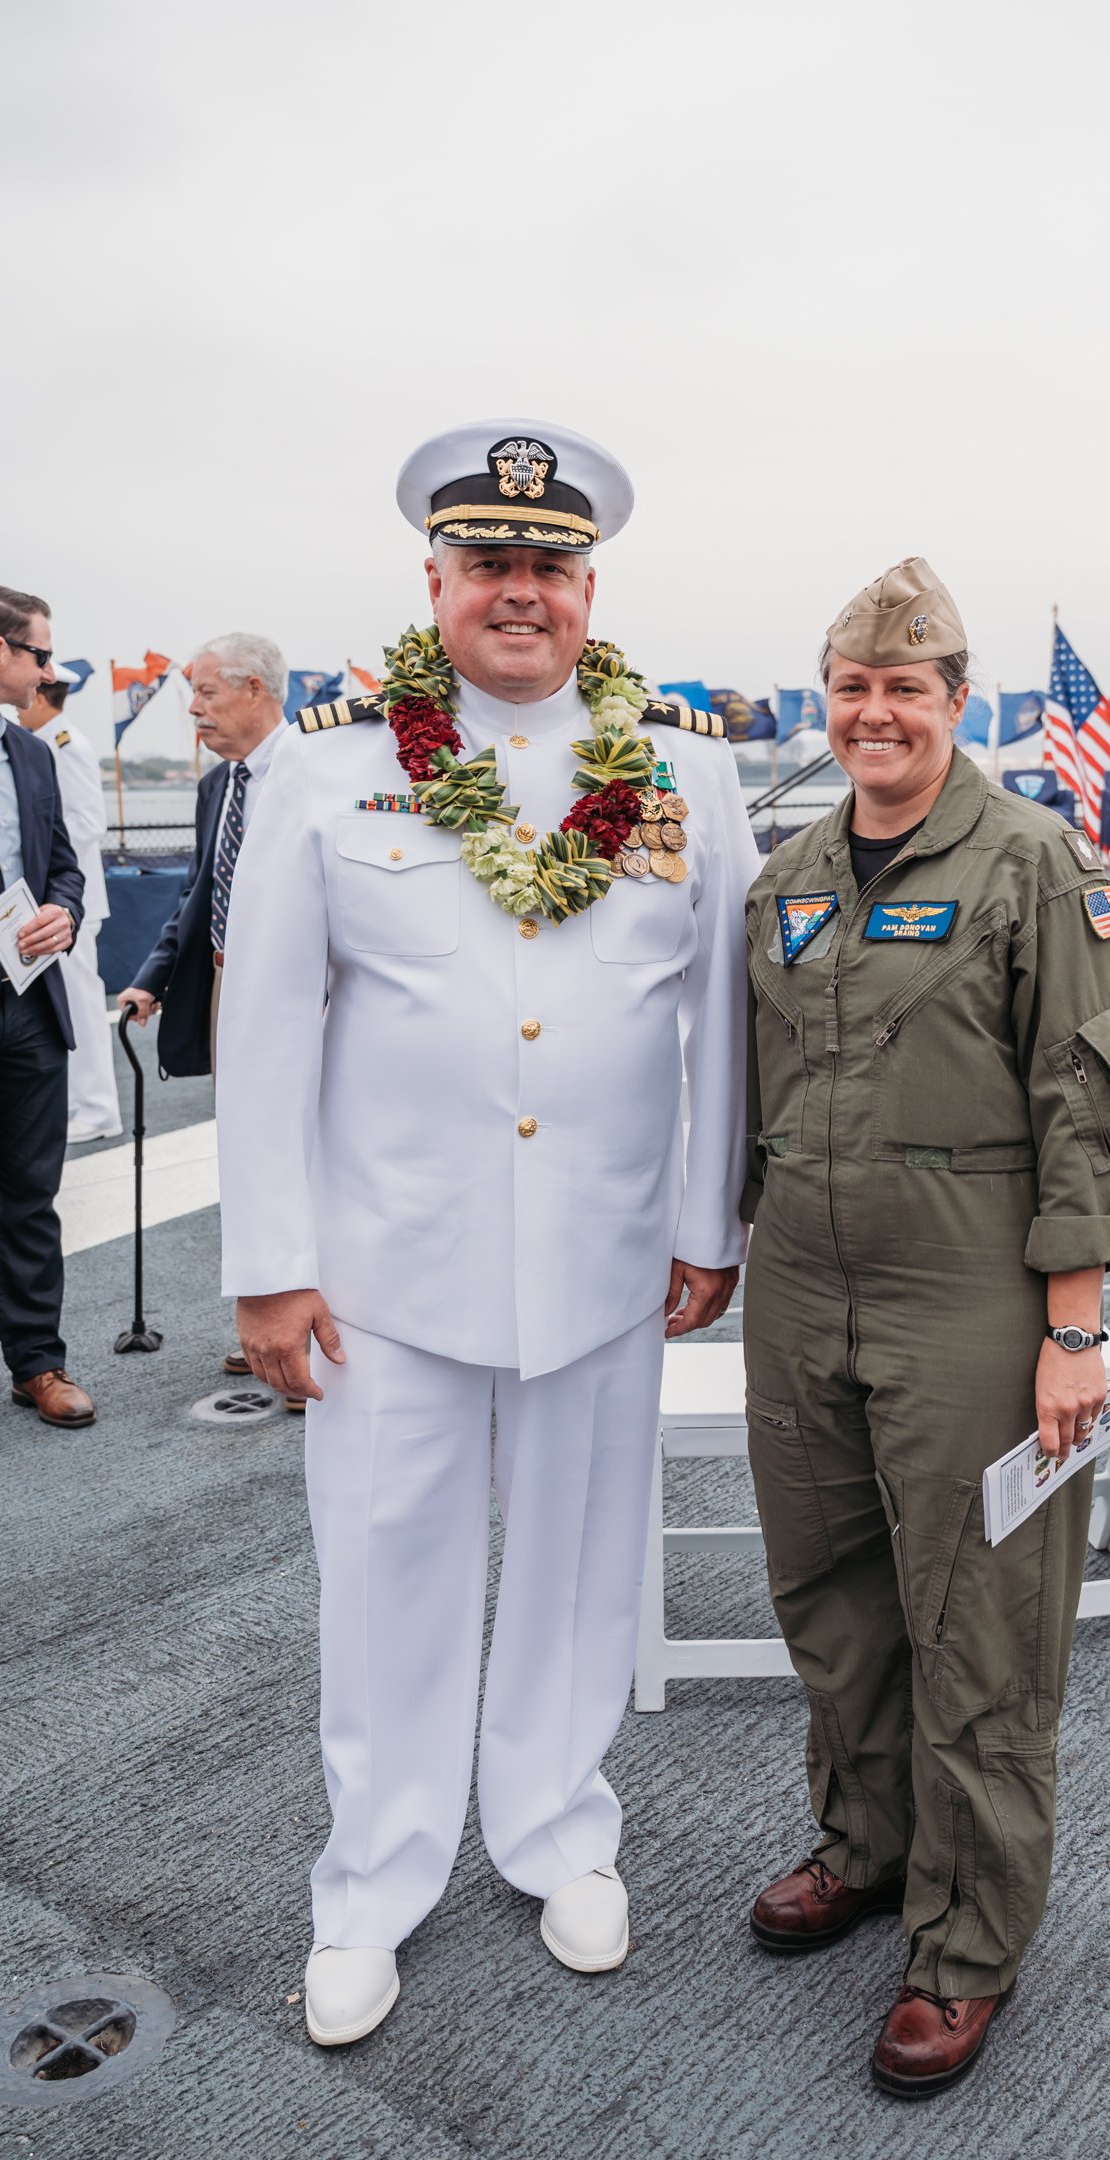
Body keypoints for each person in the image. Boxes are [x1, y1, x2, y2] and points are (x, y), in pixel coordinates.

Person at [214, 419, 757, 2049]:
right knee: (384, 1580)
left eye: (551, 567)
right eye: (491, 565)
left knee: (584, 1570)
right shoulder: (327, 765)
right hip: (388, 1271)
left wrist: (700, 1218)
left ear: (587, 588)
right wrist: (267, 1263)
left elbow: (714, 1017)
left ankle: (554, 1829)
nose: (522, 592)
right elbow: (268, 1027)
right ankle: (369, 1886)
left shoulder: (686, 771)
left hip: (601, 1259)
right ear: (435, 579)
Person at [740, 558, 1110, 2097]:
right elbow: (753, 1087)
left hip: (970, 1297)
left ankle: (967, 1942)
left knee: (977, 1627)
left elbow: (1094, 1103)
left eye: (904, 690)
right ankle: (866, 1846)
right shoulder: (783, 875)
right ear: (827, 703)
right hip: (799, 1286)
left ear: (953, 703)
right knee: (832, 1593)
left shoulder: (1035, 863)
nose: (874, 714)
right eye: (851, 689)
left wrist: (1074, 1329)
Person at [116, 633, 290, 1390]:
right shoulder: (218, 783)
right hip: (226, 988)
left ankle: (322, 1336)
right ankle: (271, 1314)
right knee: (249, 1157)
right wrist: (154, 975)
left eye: (206, 693)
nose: (192, 709)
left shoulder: (314, 775)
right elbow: (197, 891)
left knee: (313, 1157)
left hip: (297, 994)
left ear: (256, 690)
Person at [0, 584, 94, 1429]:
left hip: (30, 1006)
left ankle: (38, 1365)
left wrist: (66, 913)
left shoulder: (35, 754)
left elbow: (65, 868)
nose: (50, 671)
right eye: (42, 654)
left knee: (31, 1199)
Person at [19, 663, 120, 1142]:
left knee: (80, 1004)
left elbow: (85, 824)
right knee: (65, 1006)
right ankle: (81, 1104)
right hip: (57, 904)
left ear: (40, 695)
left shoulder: (65, 745)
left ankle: (98, 1110)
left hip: (70, 904)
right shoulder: (45, 742)